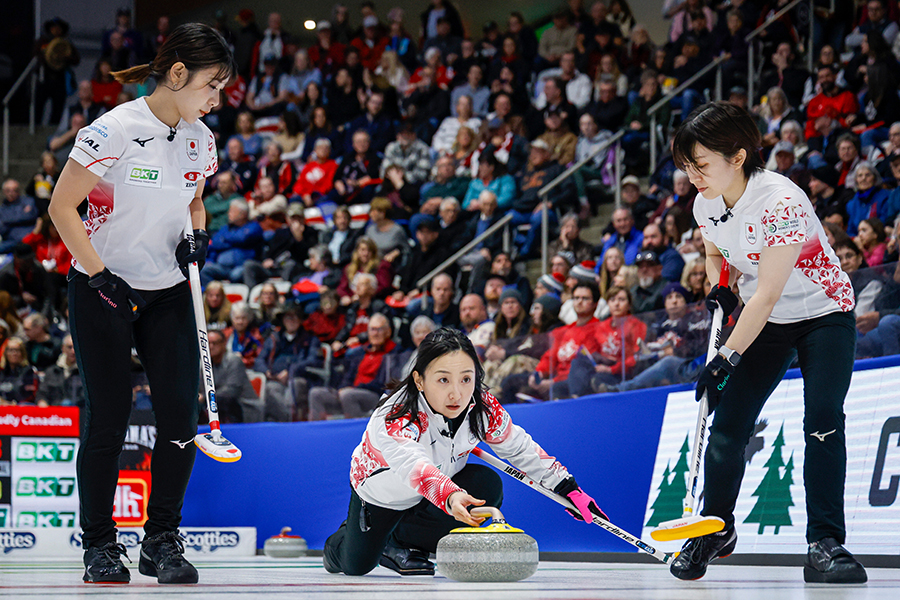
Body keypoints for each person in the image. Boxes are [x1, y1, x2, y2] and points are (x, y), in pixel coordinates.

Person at [47, 23, 234, 584]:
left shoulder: (201, 138)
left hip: (170, 292)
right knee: (109, 420)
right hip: (104, 289)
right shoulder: (115, 130)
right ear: (177, 75)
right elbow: (62, 208)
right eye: (211, 85)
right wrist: (101, 277)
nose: (216, 99)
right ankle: (100, 547)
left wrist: (197, 234)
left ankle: (161, 542)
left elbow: (194, 203)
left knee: (181, 420)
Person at [668, 101, 866, 583]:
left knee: (822, 419)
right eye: (686, 166)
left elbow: (771, 290)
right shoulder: (704, 202)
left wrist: (726, 356)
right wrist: (718, 280)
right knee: (728, 422)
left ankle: (825, 543)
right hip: (768, 320)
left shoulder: (781, 200)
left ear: (737, 156)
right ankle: (715, 529)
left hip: (823, 313)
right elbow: (717, 251)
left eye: (701, 164)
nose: (691, 175)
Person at [322, 327, 605, 576]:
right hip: (383, 498)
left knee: (486, 486)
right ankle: (349, 541)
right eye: (443, 380)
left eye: (466, 379)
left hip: (436, 495)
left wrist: (568, 489)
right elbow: (413, 464)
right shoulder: (396, 413)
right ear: (419, 380)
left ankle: (401, 540)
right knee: (356, 565)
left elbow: (519, 447)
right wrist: (451, 494)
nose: (456, 394)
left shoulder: (480, 407)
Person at [207, 328, 260, 423]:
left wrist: (205, 398)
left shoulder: (234, 361)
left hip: (244, 408)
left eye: (215, 343)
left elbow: (231, 391)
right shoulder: (205, 365)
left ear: (224, 343)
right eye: (208, 343)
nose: (211, 346)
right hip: (219, 408)